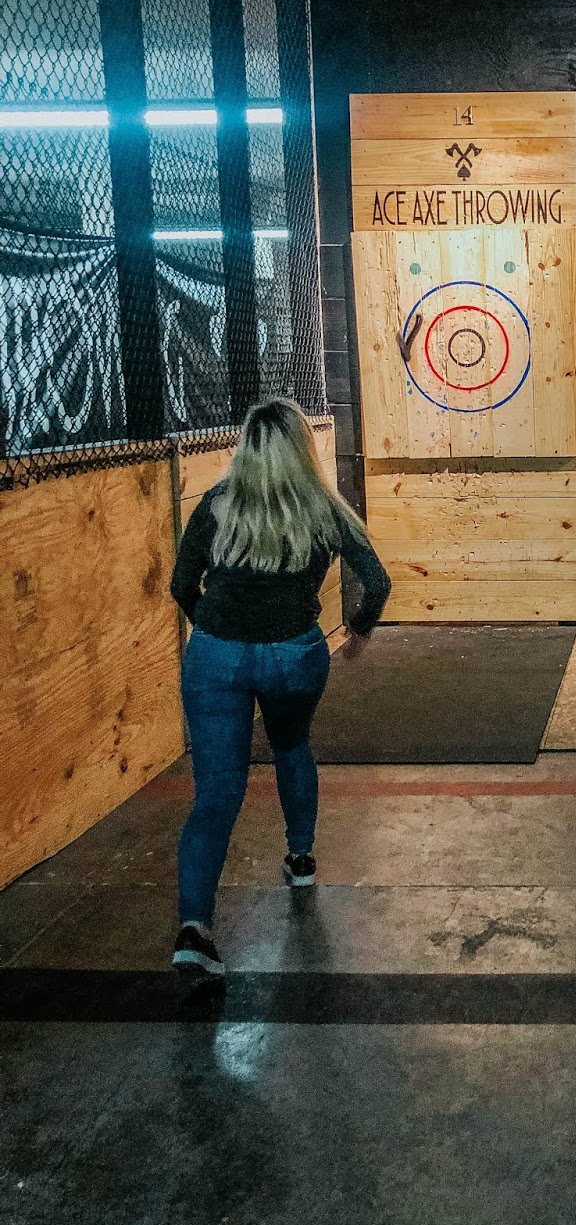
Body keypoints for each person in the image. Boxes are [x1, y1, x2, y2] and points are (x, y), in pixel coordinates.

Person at [168, 398, 391, 978]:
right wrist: (358, 635)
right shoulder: (324, 507)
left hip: (216, 655)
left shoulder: (218, 504)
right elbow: (377, 581)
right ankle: (300, 858)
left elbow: (179, 583)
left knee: (216, 795)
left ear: (245, 446)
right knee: (291, 746)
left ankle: (195, 929)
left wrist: (216, 628)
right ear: (302, 447)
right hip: (295, 654)